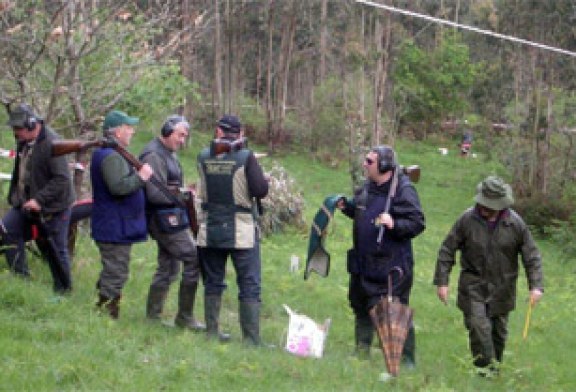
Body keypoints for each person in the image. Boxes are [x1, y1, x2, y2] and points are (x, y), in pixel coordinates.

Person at [433, 175, 544, 375]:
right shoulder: (466, 219)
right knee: (479, 328)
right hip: (472, 285)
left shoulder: (515, 224)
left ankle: (495, 372)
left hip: (503, 287)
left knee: (498, 335)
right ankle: (484, 373)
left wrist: (536, 285)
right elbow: (447, 250)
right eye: (483, 204)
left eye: (490, 206)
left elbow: (532, 256)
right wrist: (442, 281)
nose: (484, 209)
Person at [337, 145, 425, 367]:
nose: (365, 164)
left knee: (393, 313)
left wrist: (394, 224)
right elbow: (361, 211)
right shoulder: (367, 187)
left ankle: (406, 361)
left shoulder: (403, 190)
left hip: (391, 265)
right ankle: (361, 353)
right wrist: (346, 206)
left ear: (384, 165)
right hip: (363, 262)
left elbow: (417, 223)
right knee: (360, 306)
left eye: (369, 161)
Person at [196, 114, 269, 345]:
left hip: (211, 228)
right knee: (249, 283)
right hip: (241, 230)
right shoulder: (246, 157)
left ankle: (211, 332)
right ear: (240, 133)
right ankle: (251, 339)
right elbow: (260, 190)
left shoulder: (203, 156)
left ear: (218, 131)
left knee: (213, 281)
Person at [139, 114, 204, 331]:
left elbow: (168, 187)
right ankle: (184, 317)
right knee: (193, 259)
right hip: (163, 219)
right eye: (179, 135)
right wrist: (182, 195)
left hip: (170, 218)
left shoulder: (168, 154)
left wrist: (183, 193)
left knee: (168, 266)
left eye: (185, 136)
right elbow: (155, 193)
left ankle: (153, 316)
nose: (182, 140)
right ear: (167, 131)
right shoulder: (154, 155)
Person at [2, 103, 74, 293]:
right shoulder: (23, 141)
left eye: (19, 129)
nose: (16, 133)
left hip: (54, 206)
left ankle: (63, 291)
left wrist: (39, 200)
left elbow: (62, 180)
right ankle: (21, 281)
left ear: (32, 125)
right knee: (6, 230)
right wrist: (16, 197)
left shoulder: (53, 144)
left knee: (56, 250)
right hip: (25, 202)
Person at [90, 109, 153, 319]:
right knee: (116, 272)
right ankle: (106, 316)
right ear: (117, 132)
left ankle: (104, 308)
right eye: (128, 127)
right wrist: (141, 177)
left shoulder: (112, 154)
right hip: (114, 225)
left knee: (115, 270)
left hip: (116, 224)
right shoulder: (111, 157)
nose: (132, 132)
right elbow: (118, 187)